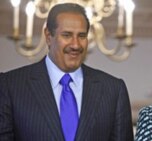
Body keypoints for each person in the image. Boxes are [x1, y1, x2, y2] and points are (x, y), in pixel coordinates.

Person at [0, 3, 134, 141]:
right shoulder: (10, 85)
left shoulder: (113, 90)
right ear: (48, 36)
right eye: (67, 35)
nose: (75, 45)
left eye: (82, 36)